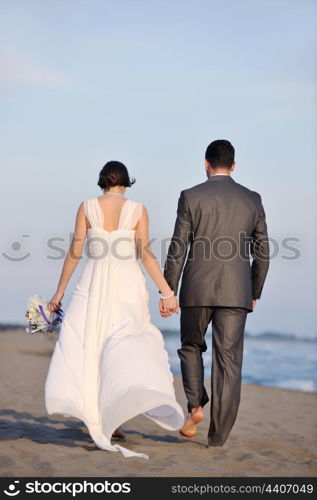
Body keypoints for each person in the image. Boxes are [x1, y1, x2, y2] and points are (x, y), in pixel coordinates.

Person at [45, 161, 184, 459]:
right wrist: (167, 291)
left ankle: (100, 413)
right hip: (126, 288)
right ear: (126, 182)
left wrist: (59, 293)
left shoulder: (86, 206)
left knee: (90, 346)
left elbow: (74, 252)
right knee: (121, 347)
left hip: (92, 285)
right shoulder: (137, 209)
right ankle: (113, 418)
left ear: (102, 181)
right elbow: (145, 254)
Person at [161, 140, 270, 447]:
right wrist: (254, 290)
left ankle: (195, 406)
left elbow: (177, 248)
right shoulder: (252, 199)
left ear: (205, 163)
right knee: (229, 362)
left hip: (196, 290)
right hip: (237, 293)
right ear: (233, 166)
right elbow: (263, 253)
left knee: (191, 347)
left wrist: (169, 289)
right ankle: (218, 438)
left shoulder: (190, 196)